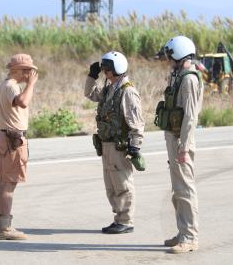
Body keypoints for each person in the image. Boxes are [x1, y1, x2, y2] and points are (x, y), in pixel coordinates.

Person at [85, 51, 145, 234]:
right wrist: (91, 77)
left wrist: (135, 145)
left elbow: (137, 121)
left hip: (119, 145)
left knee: (123, 184)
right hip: (106, 144)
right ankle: (119, 218)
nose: (104, 71)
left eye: (106, 68)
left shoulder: (127, 91)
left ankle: (126, 220)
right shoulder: (110, 88)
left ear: (116, 68)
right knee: (111, 185)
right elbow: (90, 94)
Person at [155, 36, 204, 254]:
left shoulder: (189, 80)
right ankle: (182, 232)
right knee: (177, 190)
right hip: (174, 140)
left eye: (169, 55)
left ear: (179, 54)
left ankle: (190, 237)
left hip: (181, 142)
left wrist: (183, 147)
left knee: (185, 189)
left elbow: (191, 117)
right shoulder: (178, 76)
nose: (168, 59)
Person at [0, 53, 38, 240]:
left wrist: (27, 84)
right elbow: (22, 102)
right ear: (17, 70)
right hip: (12, 141)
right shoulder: (11, 86)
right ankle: (4, 228)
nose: (30, 74)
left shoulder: (7, 85)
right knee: (8, 184)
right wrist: (31, 85)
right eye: (27, 70)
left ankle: (3, 226)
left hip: (7, 139)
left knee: (5, 182)